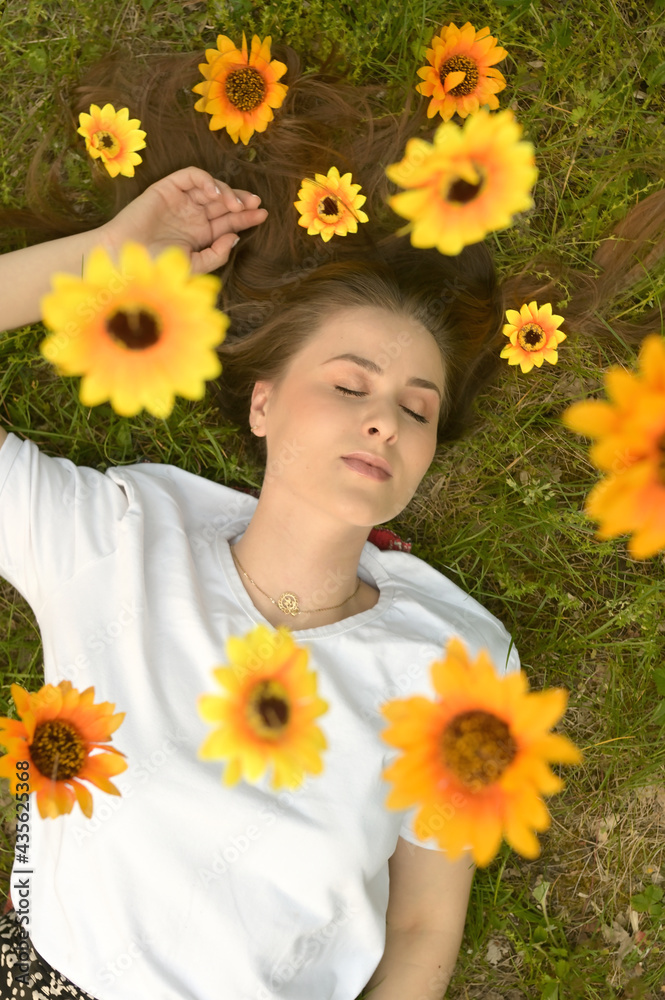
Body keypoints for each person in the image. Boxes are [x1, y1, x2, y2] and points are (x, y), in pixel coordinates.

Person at [0, 39, 663, 1000]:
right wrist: (107, 257)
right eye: (349, 382)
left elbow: (424, 924)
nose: (383, 417)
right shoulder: (115, 542)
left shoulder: (459, 662)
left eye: (418, 406)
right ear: (263, 405)